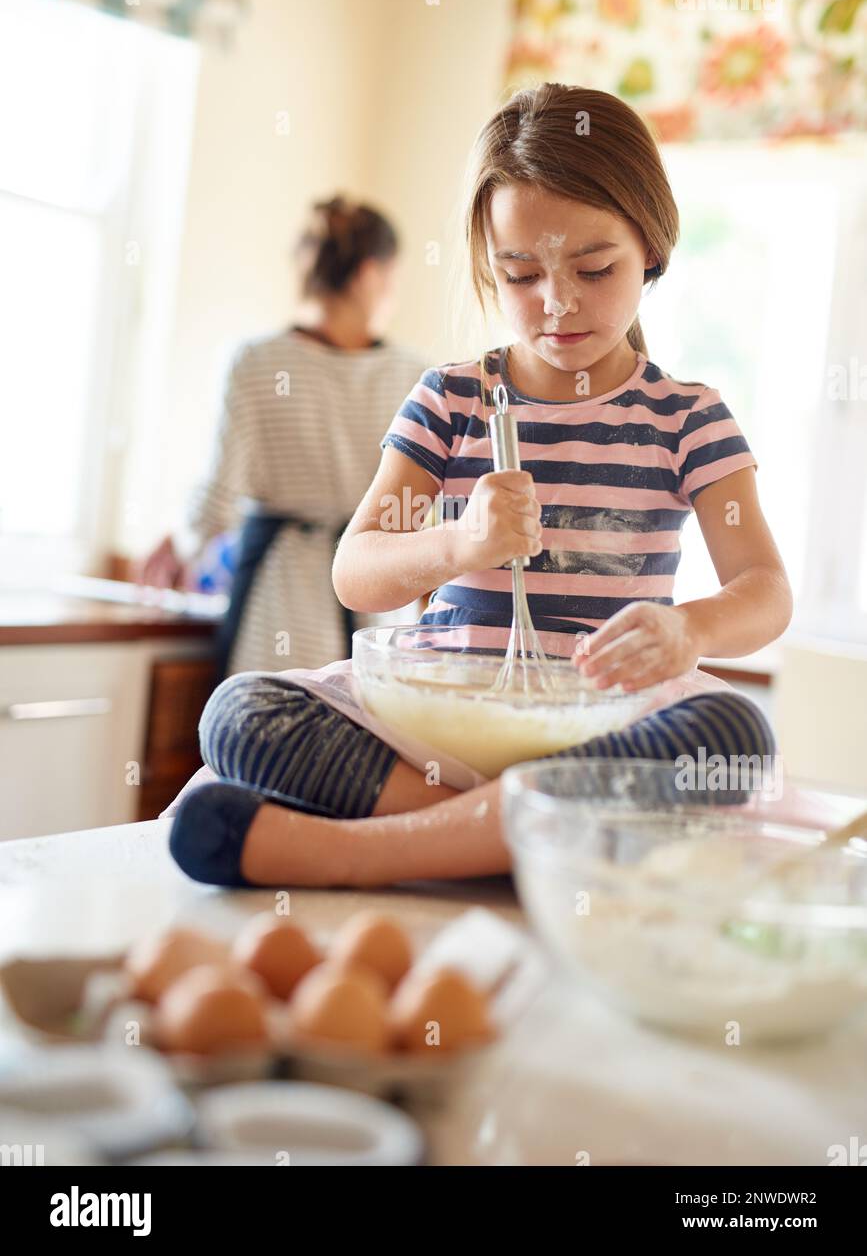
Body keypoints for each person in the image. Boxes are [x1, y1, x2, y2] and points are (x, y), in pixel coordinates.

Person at [166, 85, 792, 888]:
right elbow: (356, 567)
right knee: (242, 713)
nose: (556, 303)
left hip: (596, 725)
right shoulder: (451, 397)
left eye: (594, 268)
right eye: (519, 273)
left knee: (730, 734)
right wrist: (459, 542)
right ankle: (516, 831)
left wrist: (691, 633)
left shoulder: (687, 417)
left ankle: (362, 853)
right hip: (439, 720)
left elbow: (764, 589)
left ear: (652, 249)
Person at [139, 196, 424, 676]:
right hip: (381, 607)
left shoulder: (254, 361)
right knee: (368, 742)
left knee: (271, 740)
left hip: (282, 606)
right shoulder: (416, 376)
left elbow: (216, 499)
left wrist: (180, 542)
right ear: (371, 275)